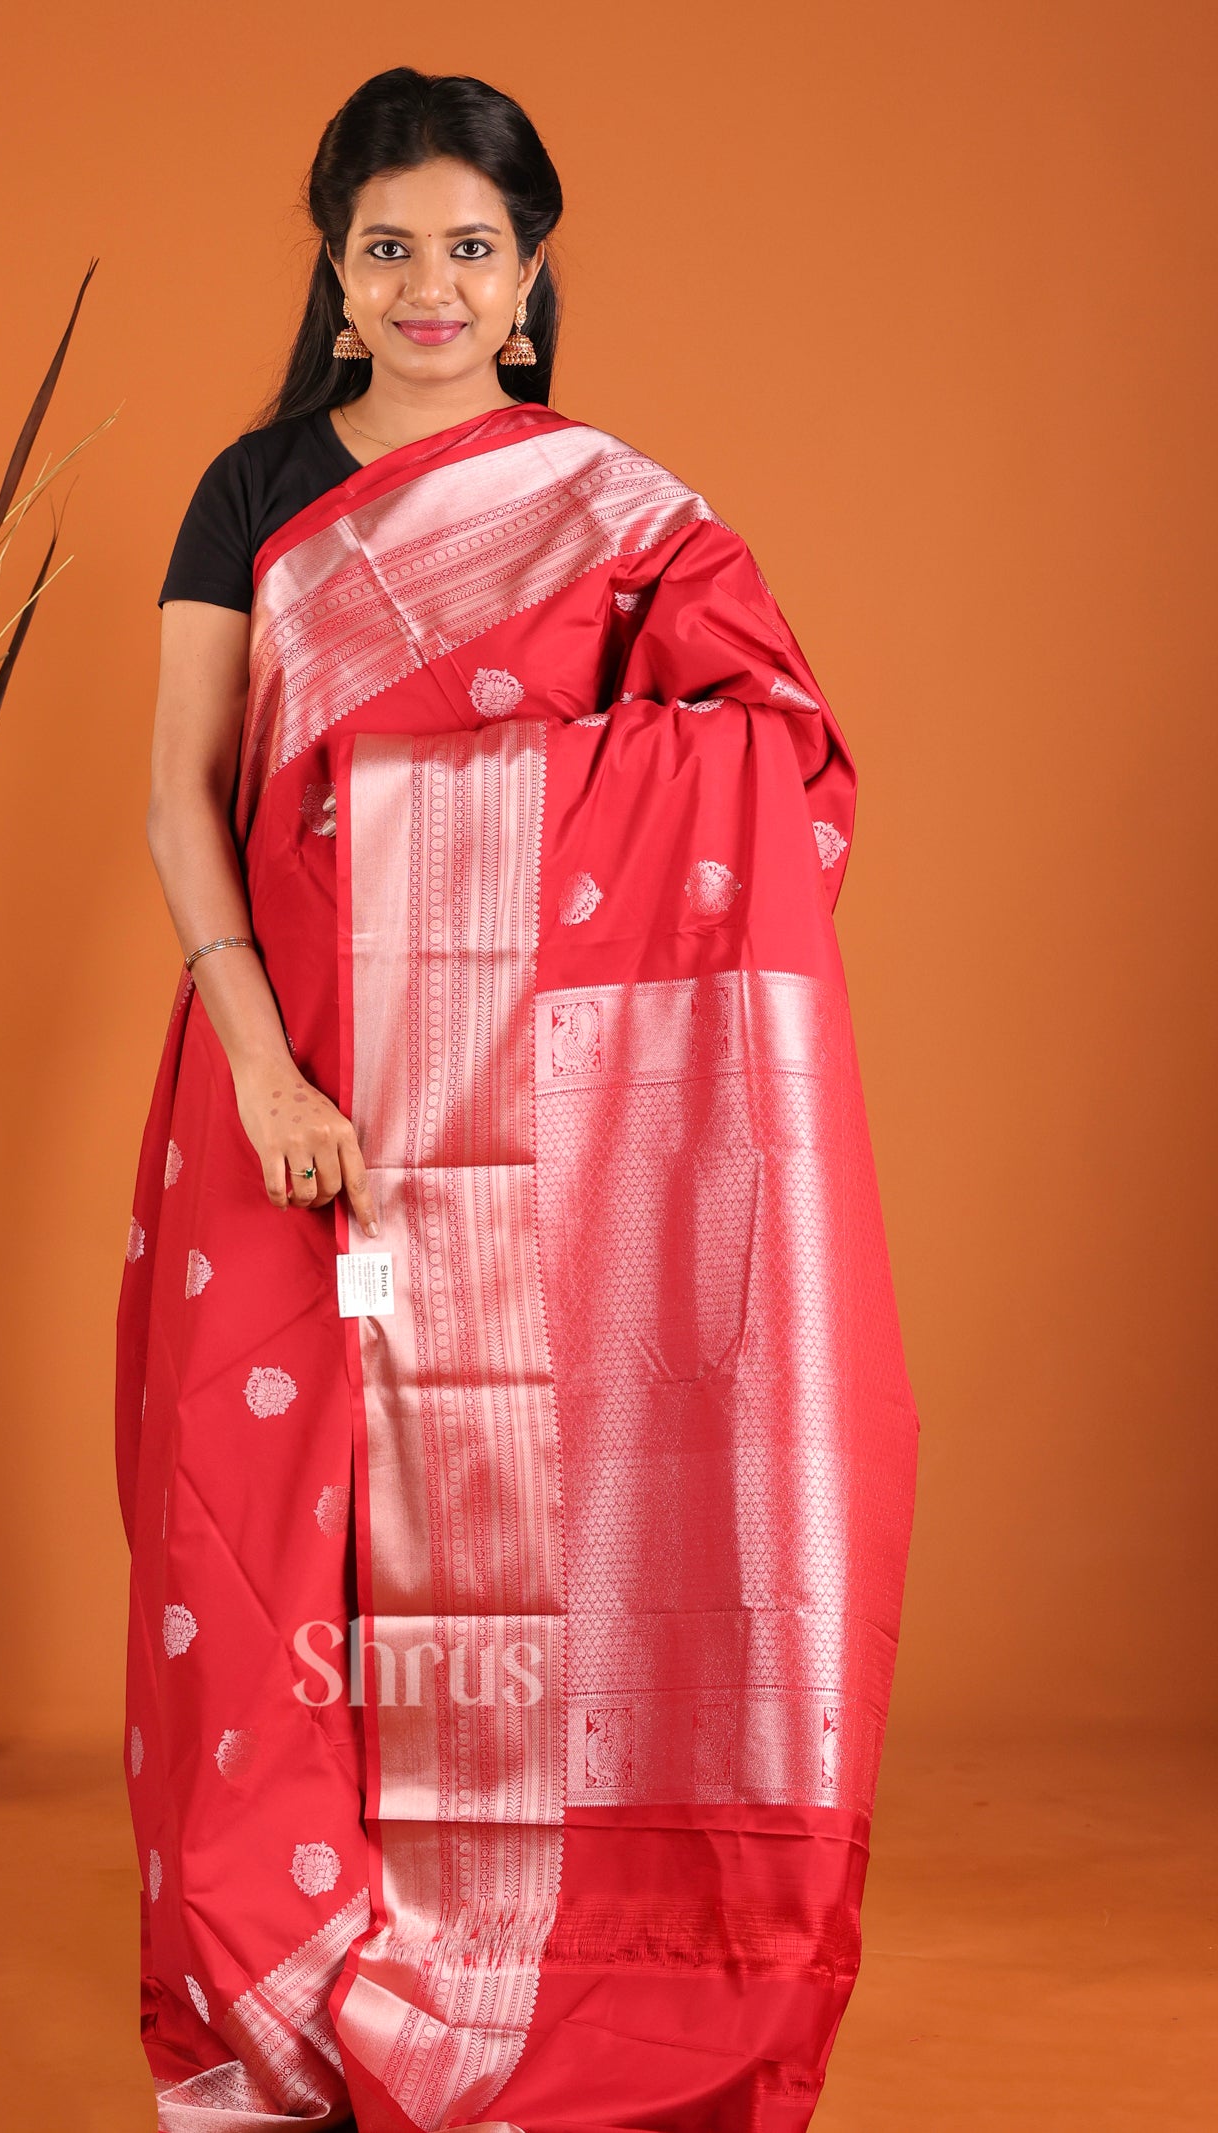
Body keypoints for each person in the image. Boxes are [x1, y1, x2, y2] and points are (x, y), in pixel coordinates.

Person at [115, 65, 918, 2133]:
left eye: (469, 246)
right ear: (332, 265)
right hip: (280, 1094)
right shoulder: (255, 486)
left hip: (526, 1149)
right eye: (386, 246)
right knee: (267, 1526)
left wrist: (445, 842)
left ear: (530, 270)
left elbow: (771, 758)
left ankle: (534, 1947)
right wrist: (266, 1057)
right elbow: (186, 795)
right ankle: (285, 1969)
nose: (428, 285)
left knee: (533, 1515)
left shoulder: (611, 507)